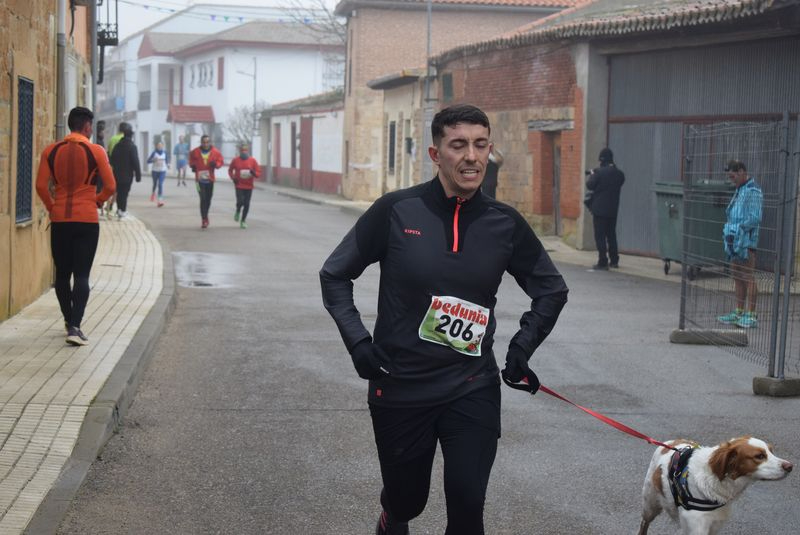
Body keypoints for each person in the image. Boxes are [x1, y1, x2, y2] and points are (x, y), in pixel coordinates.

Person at [320, 104, 568, 535]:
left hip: (472, 385)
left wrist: (521, 349)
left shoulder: (504, 223)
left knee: (468, 504)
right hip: (401, 385)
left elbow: (551, 289)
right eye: (459, 145)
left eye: (480, 145)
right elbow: (335, 274)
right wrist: (359, 344)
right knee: (407, 500)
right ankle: (393, 515)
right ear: (436, 154)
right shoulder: (397, 211)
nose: (471, 156)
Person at [35, 106, 116, 346]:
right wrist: (98, 201)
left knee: (62, 275)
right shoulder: (96, 151)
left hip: (60, 219)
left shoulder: (50, 151)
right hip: (86, 219)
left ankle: (68, 320)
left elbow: (40, 186)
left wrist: (52, 206)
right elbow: (111, 186)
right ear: (87, 126)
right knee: (81, 275)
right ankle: (75, 326)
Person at [717, 159, 763, 329]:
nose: (732, 180)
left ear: (742, 172)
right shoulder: (740, 189)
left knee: (747, 276)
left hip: (746, 240)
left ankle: (751, 315)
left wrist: (740, 229)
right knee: (736, 275)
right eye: (730, 177)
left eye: (733, 176)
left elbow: (755, 217)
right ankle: (739, 311)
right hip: (734, 239)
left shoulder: (753, 190)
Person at [586, 148, 625, 270]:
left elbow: (590, 185)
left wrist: (592, 174)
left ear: (602, 160)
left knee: (600, 236)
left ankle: (603, 261)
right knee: (611, 235)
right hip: (613, 210)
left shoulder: (599, 173)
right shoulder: (619, 174)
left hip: (599, 210)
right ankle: (614, 260)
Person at [189, 134, 223, 229]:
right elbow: (191, 160)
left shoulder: (215, 152)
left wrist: (216, 164)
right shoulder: (195, 152)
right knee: (203, 198)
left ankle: (206, 215)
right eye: (204, 142)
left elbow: (220, 161)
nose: (205, 144)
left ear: (210, 142)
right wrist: (193, 166)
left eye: (207, 142)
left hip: (210, 179)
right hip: (199, 180)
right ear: (201, 142)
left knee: (208, 199)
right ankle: (204, 219)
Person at [109, 124, 141, 219]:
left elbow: (112, 159)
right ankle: (122, 211)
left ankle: (119, 210)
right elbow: (135, 161)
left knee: (119, 192)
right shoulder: (132, 147)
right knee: (125, 193)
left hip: (117, 174)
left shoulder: (117, 146)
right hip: (127, 175)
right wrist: (138, 175)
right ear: (131, 136)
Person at [228, 143, 261, 229]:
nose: (244, 152)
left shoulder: (253, 161)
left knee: (246, 204)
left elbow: (258, 173)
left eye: (245, 150)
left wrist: (254, 173)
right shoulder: (235, 160)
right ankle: (238, 211)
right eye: (242, 150)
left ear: (248, 151)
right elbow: (230, 170)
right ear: (240, 151)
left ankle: (243, 221)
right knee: (240, 202)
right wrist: (233, 178)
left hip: (249, 186)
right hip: (239, 185)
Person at [147, 141, 169, 207]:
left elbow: (167, 161)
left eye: (161, 145)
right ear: (156, 146)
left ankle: (160, 201)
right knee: (155, 184)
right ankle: (153, 193)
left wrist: (168, 165)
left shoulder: (165, 153)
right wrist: (153, 160)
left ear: (163, 146)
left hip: (162, 171)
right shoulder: (154, 153)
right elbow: (148, 161)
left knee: (160, 184)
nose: (160, 146)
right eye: (158, 145)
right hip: (155, 171)